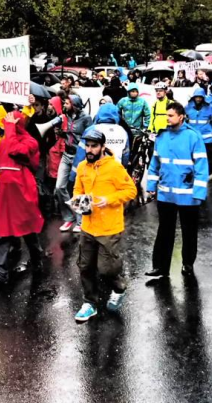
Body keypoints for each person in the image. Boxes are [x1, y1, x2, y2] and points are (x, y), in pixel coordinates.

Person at [71, 127, 138, 321]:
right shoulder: (83, 167)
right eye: (88, 146)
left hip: (109, 228)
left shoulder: (114, 167)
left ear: (102, 147)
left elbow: (130, 191)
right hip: (88, 226)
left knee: (107, 269)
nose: (90, 150)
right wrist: (77, 201)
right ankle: (89, 303)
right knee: (85, 266)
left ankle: (119, 288)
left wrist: (108, 199)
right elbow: (77, 188)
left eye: (94, 146)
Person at [145, 102, 209, 279]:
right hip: (166, 194)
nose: (168, 119)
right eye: (167, 116)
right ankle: (160, 267)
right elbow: (154, 165)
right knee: (165, 231)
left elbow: (202, 166)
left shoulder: (193, 137)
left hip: (188, 195)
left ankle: (187, 263)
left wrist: (198, 193)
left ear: (181, 117)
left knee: (189, 231)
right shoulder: (162, 137)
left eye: (171, 116)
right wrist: (151, 187)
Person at [0, 112, 46, 288]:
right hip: (5, 194)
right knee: (2, 233)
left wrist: (10, 129)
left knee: (28, 232)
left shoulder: (30, 141)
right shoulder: (6, 140)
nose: (6, 125)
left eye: (10, 122)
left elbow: (16, 151)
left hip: (22, 193)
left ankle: (37, 261)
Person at [51, 94, 93, 233]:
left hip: (79, 156)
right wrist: (61, 134)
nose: (65, 105)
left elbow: (90, 137)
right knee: (59, 187)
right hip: (66, 155)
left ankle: (82, 220)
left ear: (74, 105)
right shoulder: (65, 117)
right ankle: (69, 218)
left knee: (79, 188)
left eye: (67, 103)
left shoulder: (86, 118)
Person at [184, 87, 212, 155]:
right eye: (196, 97)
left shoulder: (210, 108)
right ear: (193, 97)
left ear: (203, 98)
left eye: (200, 97)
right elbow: (184, 123)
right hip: (193, 137)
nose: (198, 99)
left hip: (206, 138)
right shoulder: (187, 107)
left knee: (207, 156)